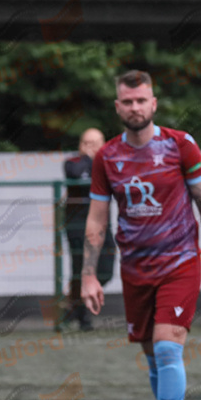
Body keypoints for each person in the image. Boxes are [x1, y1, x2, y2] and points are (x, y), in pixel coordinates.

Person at [80, 70, 201, 400]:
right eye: (127, 102)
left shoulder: (181, 145)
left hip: (180, 261)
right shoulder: (106, 157)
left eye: (141, 100)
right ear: (118, 106)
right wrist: (88, 275)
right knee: (152, 357)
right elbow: (96, 220)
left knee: (167, 348)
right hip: (135, 268)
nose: (134, 107)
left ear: (153, 103)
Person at [61, 127, 116, 331]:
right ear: (81, 145)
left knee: (106, 269)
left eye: (97, 143)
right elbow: (76, 174)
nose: (92, 147)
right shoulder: (72, 163)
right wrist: (91, 158)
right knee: (79, 269)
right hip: (77, 226)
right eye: (88, 143)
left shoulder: (108, 163)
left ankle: (73, 305)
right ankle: (82, 316)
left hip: (102, 225)